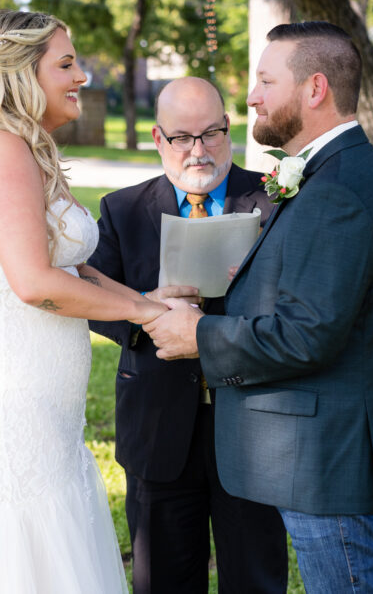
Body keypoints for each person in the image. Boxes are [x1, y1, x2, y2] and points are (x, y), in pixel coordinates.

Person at [0, 9, 192, 594]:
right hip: (8, 391)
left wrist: (147, 300)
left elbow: (74, 269)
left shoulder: (30, 149)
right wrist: (147, 315)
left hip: (41, 393)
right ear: (22, 72)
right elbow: (36, 283)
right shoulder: (1, 152)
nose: (83, 77)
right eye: (66, 64)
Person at [144, 21, 373, 593]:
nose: (252, 97)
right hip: (325, 460)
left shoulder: (337, 187)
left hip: (331, 466)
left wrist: (201, 334)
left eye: (266, 80)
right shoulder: (329, 174)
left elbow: (309, 334)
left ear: (314, 89)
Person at [87, 76, 286, 593]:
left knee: (256, 579)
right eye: (182, 138)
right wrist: (143, 312)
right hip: (157, 427)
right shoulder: (122, 210)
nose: (199, 151)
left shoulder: (274, 200)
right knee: (163, 581)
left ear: (229, 128)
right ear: (158, 139)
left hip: (252, 427)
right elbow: (93, 305)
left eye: (212, 133)